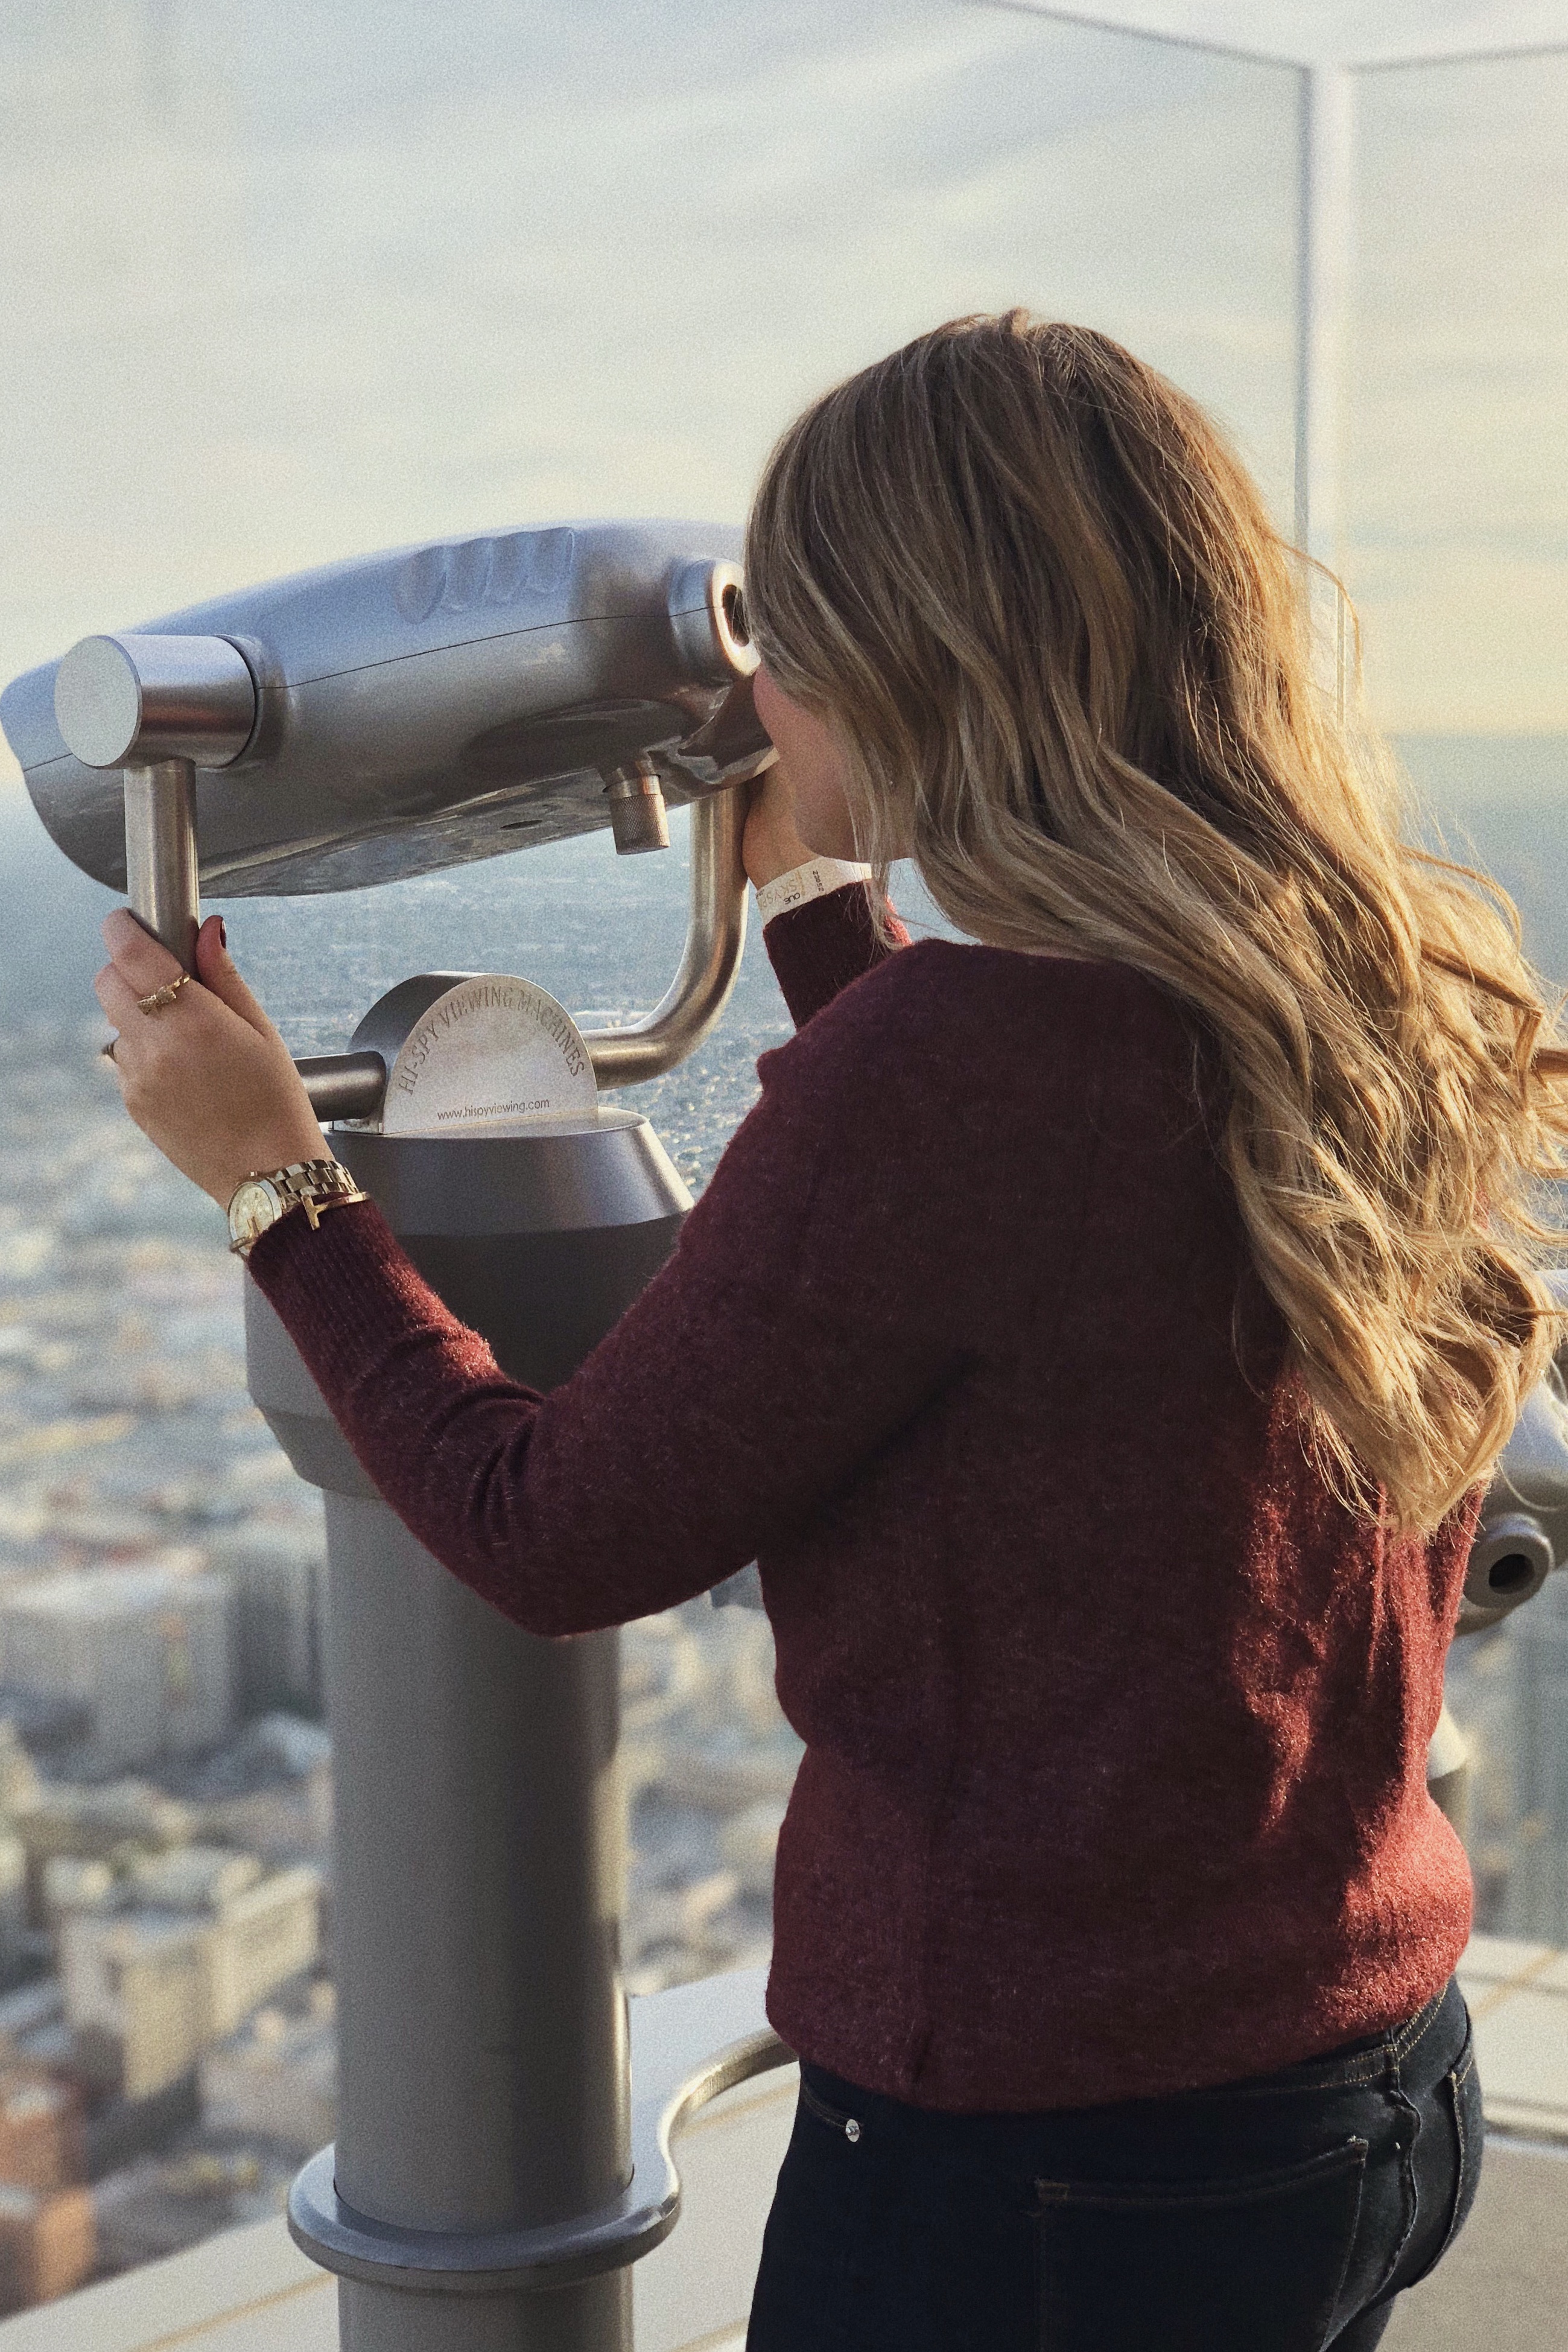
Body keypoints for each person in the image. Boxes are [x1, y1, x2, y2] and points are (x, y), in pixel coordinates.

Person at [95, 313, 1568, 2351]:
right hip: (1367, 2082)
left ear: (919, 667)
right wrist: (809, 905)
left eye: (782, 639)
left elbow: (554, 1530)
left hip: (1053, 2168)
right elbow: (1040, 1242)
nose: (754, 691)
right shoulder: (1348, 989)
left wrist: (277, 1182)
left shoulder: (961, 1085)